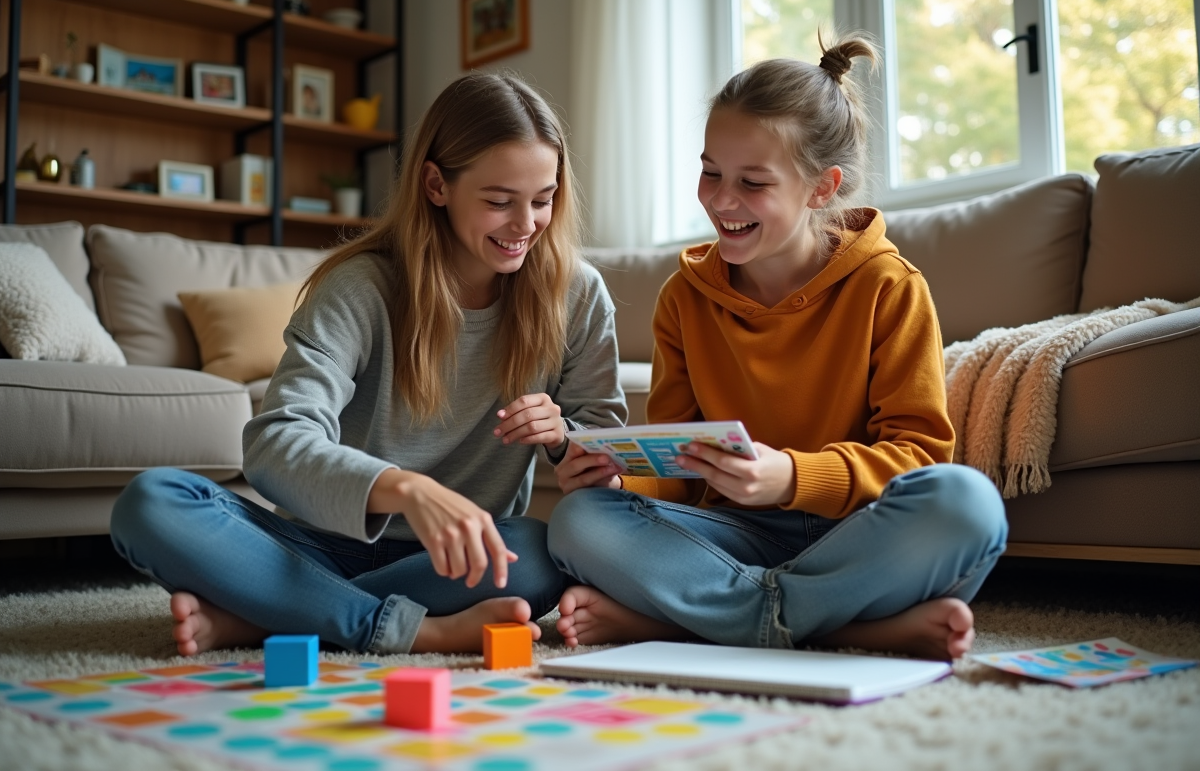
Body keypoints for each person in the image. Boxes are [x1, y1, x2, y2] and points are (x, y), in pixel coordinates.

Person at [109, 73, 626, 657]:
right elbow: (275, 444)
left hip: (452, 561)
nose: (526, 224)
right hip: (314, 546)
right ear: (436, 185)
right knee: (152, 502)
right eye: (499, 201)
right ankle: (409, 629)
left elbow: (608, 455)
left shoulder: (578, 295)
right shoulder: (360, 288)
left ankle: (267, 616)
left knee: (538, 552)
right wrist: (404, 490)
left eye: (543, 199)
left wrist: (563, 439)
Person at [547, 33, 1007, 661]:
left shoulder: (889, 287)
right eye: (711, 172)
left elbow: (918, 457)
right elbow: (678, 470)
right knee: (578, 521)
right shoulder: (684, 299)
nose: (721, 200)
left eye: (753, 182)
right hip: (731, 534)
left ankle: (692, 621)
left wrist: (790, 477)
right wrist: (622, 476)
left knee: (968, 505)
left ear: (822, 188)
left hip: (856, 533)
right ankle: (842, 626)